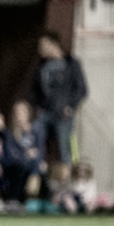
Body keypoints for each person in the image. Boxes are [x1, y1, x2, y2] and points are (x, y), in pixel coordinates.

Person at [29, 30, 87, 186]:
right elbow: (33, 91)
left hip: (62, 114)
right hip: (45, 113)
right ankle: (36, 178)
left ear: (53, 44)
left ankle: (67, 183)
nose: (40, 49)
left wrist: (70, 106)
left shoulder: (71, 63)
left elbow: (81, 89)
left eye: (43, 45)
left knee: (64, 149)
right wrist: (37, 107)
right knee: (34, 138)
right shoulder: (41, 66)